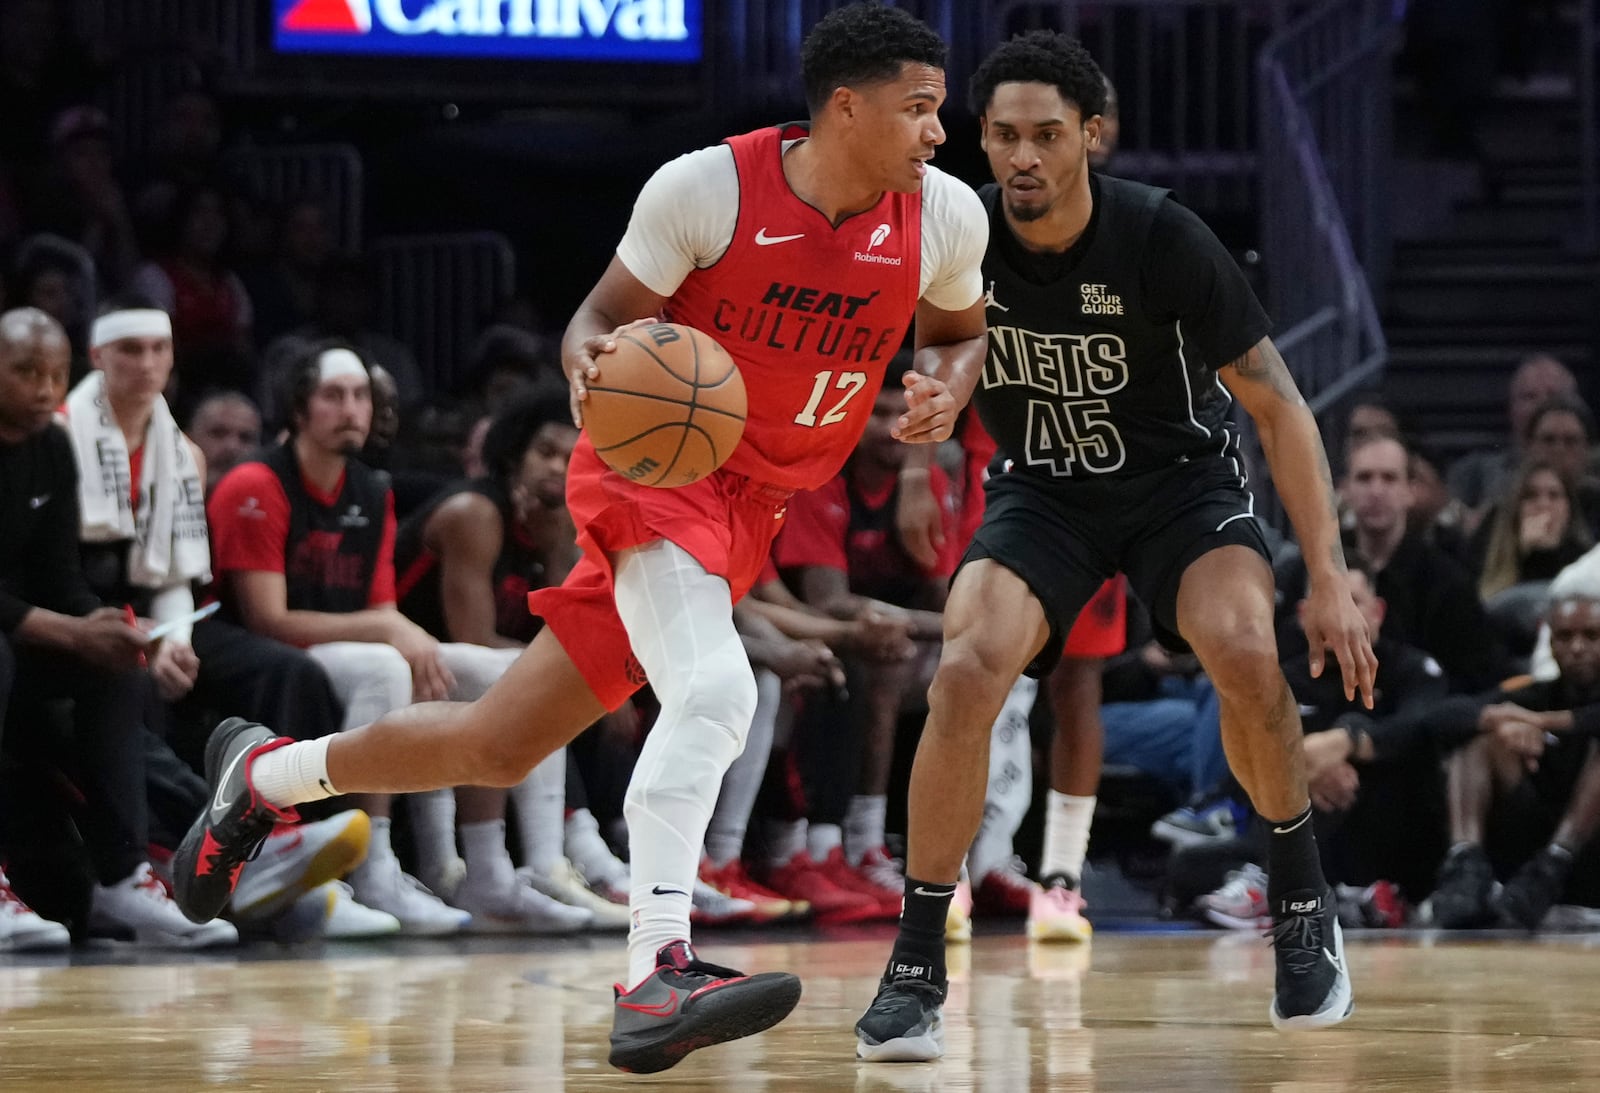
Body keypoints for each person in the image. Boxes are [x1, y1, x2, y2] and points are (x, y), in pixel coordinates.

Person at [171, 3, 987, 1073]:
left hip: (755, 505)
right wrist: (590, 366)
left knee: (497, 742)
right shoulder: (706, 188)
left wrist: (936, 420)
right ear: (847, 106)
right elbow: (597, 320)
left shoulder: (942, 219)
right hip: (656, 473)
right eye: (919, 109)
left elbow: (960, 334)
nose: (937, 132)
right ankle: (657, 968)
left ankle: (266, 779)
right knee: (716, 694)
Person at [853, 31, 1376, 1063]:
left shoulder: (1159, 236)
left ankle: (1299, 897)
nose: (1023, 158)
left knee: (1241, 649)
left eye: (1047, 134)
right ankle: (916, 959)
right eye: (1002, 135)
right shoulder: (952, 226)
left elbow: (1279, 408)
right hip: (1045, 487)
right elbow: (945, 343)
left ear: (1090, 135)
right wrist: (922, 461)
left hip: (1178, 486)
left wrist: (1329, 576)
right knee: (962, 671)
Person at [0, 307, 234, 949]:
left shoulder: (49, 443)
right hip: (8, 635)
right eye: (25, 372)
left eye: (54, 373)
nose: (45, 388)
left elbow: (56, 573)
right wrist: (72, 629)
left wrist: (107, 625)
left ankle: (123, 878)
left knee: (113, 665)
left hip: (21, 628)